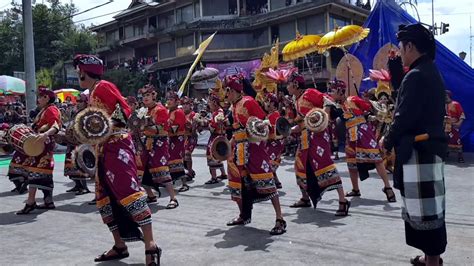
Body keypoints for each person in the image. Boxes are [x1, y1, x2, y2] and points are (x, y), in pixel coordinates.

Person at [73, 54, 160, 265]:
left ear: (84, 71)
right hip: (102, 148)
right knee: (105, 197)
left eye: (78, 71)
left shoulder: (103, 86)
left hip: (117, 145)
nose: (77, 75)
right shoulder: (92, 92)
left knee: (129, 192)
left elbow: (126, 111)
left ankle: (151, 245)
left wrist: (105, 124)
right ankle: (120, 245)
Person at [382, 24, 447, 266]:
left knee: (426, 214)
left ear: (410, 46)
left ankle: (432, 261)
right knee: (431, 210)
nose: (400, 52)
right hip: (429, 151)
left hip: (420, 152)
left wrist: (386, 140)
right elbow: (408, 101)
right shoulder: (428, 71)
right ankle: (432, 258)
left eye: (401, 47)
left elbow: (404, 115)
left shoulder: (417, 75)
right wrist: (398, 74)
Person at [225, 75, 286, 235]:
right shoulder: (234, 106)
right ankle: (244, 215)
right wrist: (229, 144)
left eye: (228, 91)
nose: (226, 95)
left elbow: (262, 122)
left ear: (234, 90)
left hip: (254, 148)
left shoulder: (248, 102)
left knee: (266, 180)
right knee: (238, 182)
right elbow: (237, 130)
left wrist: (253, 133)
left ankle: (280, 219)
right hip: (239, 151)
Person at [286, 73, 350, 216]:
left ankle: (343, 200)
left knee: (325, 165)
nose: (287, 86)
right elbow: (302, 121)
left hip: (318, 136)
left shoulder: (309, 93)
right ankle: (305, 197)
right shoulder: (297, 99)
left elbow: (327, 101)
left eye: (289, 83)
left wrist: (322, 117)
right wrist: (292, 129)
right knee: (299, 166)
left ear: (295, 84)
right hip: (304, 137)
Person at [15, 86, 61, 214]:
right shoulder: (45, 110)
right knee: (43, 173)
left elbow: (55, 126)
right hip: (40, 144)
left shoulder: (51, 109)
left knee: (35, 172)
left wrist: (45, 134)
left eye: (40, 96)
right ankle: (48, 201)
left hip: (43, 145)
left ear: (46, 98)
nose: (38, 99)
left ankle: (30, 202)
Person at [136, 84, 179, 209]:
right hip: (146, 143)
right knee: (141, 169)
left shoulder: (160, 109)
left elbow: (161, 128)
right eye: (143, 95)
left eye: (148, 95)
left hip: (159, 143)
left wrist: (145, 126)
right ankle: (150, 195)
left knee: (161, 169)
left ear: (153, 95)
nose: (145, 98)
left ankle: (173, 198)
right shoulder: (143, 110)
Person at [64, 93, 91, 195]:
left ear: (85, 102)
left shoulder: (87, 113)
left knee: (80, 164)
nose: (78, 103)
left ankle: (84, 187)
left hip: (81, 142)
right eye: (77, 101)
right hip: (72, 141)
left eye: (81, 101)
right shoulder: (74, 112)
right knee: (70, 164)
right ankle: (77, 185)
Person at [166, 90, 189, 192]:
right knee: (171, 160)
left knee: (177, 160)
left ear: (176, 102)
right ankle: (172, 181)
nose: (169, 101)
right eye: (168, 99)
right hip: (171, 139)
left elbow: (176, 128)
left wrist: (164, 127)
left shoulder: (179, 112)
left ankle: (184, 183)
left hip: (177, 138)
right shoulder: (170, 111)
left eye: (171, 99)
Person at [204, 94, 228, 184]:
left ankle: (214, 177)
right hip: (220, 136)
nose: (208, 104)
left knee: (210, 153)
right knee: (218, 155)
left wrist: (207, 123)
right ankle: (223, 173)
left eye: (209, 102)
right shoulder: (219, 111)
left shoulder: (217, 112)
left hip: (216, 136)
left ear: (214, 102)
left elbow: (213, 127)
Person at [263, 93, 284, 189]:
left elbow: (274, 131)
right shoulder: (270, 115)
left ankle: (269, 183)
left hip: (275, 143)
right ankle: (277, 182)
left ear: (272, 104)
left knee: (268, 162)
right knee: (269, 161)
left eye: (267, 101)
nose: (265, 103)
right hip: (271, 142)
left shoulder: (275, 115)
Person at [445, 90, 465, 163]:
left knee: (457, 141)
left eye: (446, 96)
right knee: (445, 140)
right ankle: (446, 153)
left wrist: (459, 123)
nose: (445, 97)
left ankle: (460, 156)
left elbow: (462, 114)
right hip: (446, 126)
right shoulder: (443, 105)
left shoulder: (456, 104)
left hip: (454, 126)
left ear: (449, 96)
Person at [182, 96, 198, 180]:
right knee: (182, 156)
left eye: (187, 104)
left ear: (190, 105)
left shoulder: (193, 114)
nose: (185, 106)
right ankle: (190, 170)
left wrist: (190, 125)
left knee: (187, 154)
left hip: (191, 137)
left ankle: (189, 173)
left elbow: (194, 129)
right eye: (183, 104)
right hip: (183, 137)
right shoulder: (181, 113)